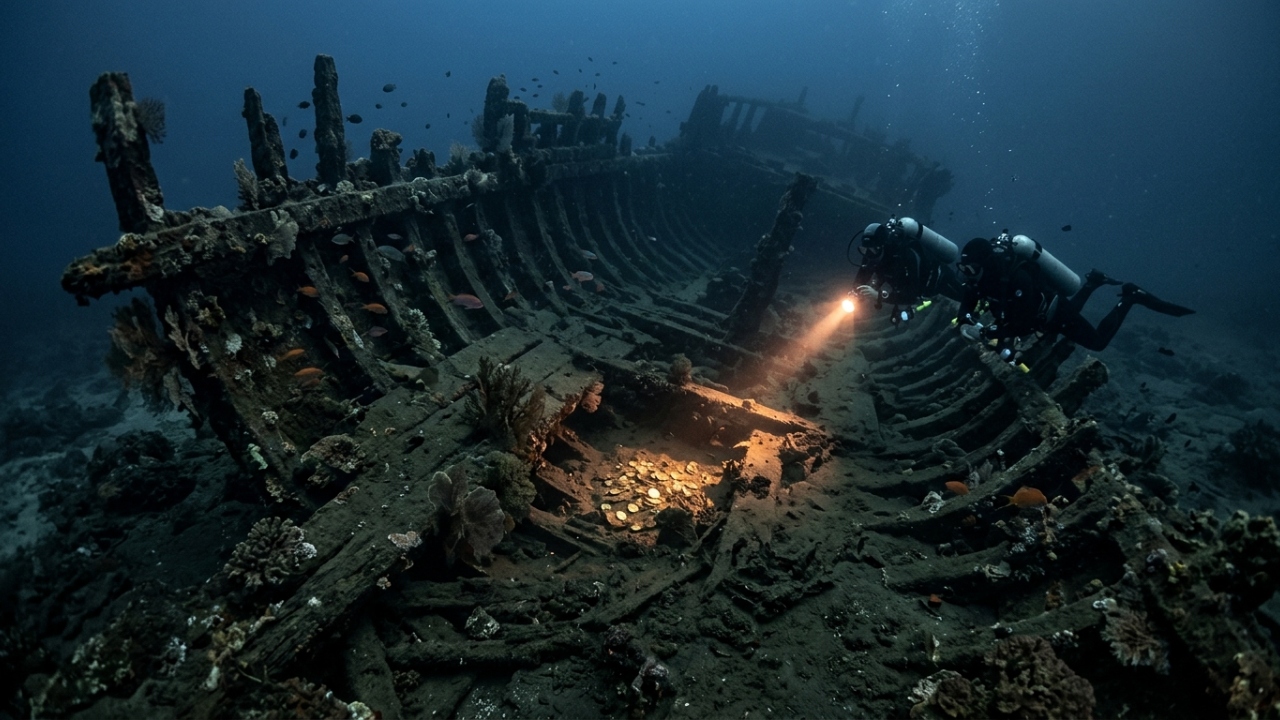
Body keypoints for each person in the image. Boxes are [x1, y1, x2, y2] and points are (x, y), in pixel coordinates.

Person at [955, 231, 1194, 358]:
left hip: (1051, 312)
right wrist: (965, 319)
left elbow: (1024, 323)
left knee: (1096, 342)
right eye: (963, 269)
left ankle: (1130, 297)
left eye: (971, 269)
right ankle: (1093, 283)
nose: (967, 275)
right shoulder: (980, 279)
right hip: (1039, 312)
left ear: (986, 264)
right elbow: (967, 301)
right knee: (1063, 314)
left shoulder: (1017, 278)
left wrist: (989, 332)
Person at [851, 216, 964, 324]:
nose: (868, 254)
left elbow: (911, 296)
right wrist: (855, 291)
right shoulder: (872, 254)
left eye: (872, 250)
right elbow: (863, 274)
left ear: (883, 246)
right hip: (911, 288)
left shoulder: (906, 256)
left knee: (965, 297)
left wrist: (879, 295)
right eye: (864, 250)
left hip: (939, 281)